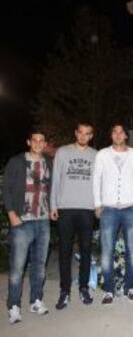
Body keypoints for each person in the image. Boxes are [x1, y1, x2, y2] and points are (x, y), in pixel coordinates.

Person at [93, 123, 133, 304]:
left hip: (131, 208)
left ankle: (129, 287)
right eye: (114, 131)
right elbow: (96, 180)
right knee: (107, 251)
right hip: (108, 209)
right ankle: (108, 290)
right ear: (111, 135)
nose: (117, 134)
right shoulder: (102, 154)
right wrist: (97, 204)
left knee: (132, 251)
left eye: (121, 132)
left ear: (126, 136)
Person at [3, 128, 52, 324]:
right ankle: (14, 306)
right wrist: (11, 214)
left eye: (42, 140)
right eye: (35, 140)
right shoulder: (17, 161)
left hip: (42, 220)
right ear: (28, 142)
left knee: (39, 266)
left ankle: (36, 300)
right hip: (22, 221)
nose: (38, 143)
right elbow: (5, 188)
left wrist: (53, 208)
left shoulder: (48, 162)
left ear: (45, 143)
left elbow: (51, 188)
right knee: (17, 267)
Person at [50, 123, 97, 309]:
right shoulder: (62, 152)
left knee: (86, 251)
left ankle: (84, 288)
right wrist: (54, 205)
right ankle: (65, 291)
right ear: (75, 133)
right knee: (64, 252)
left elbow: (99, 181)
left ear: (91, 136)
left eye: (87, 134)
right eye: (80, 132)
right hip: (66, 208)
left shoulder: (96, 155)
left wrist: (98, 205)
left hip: (87, 208)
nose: (83, 136)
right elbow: (56, 179)